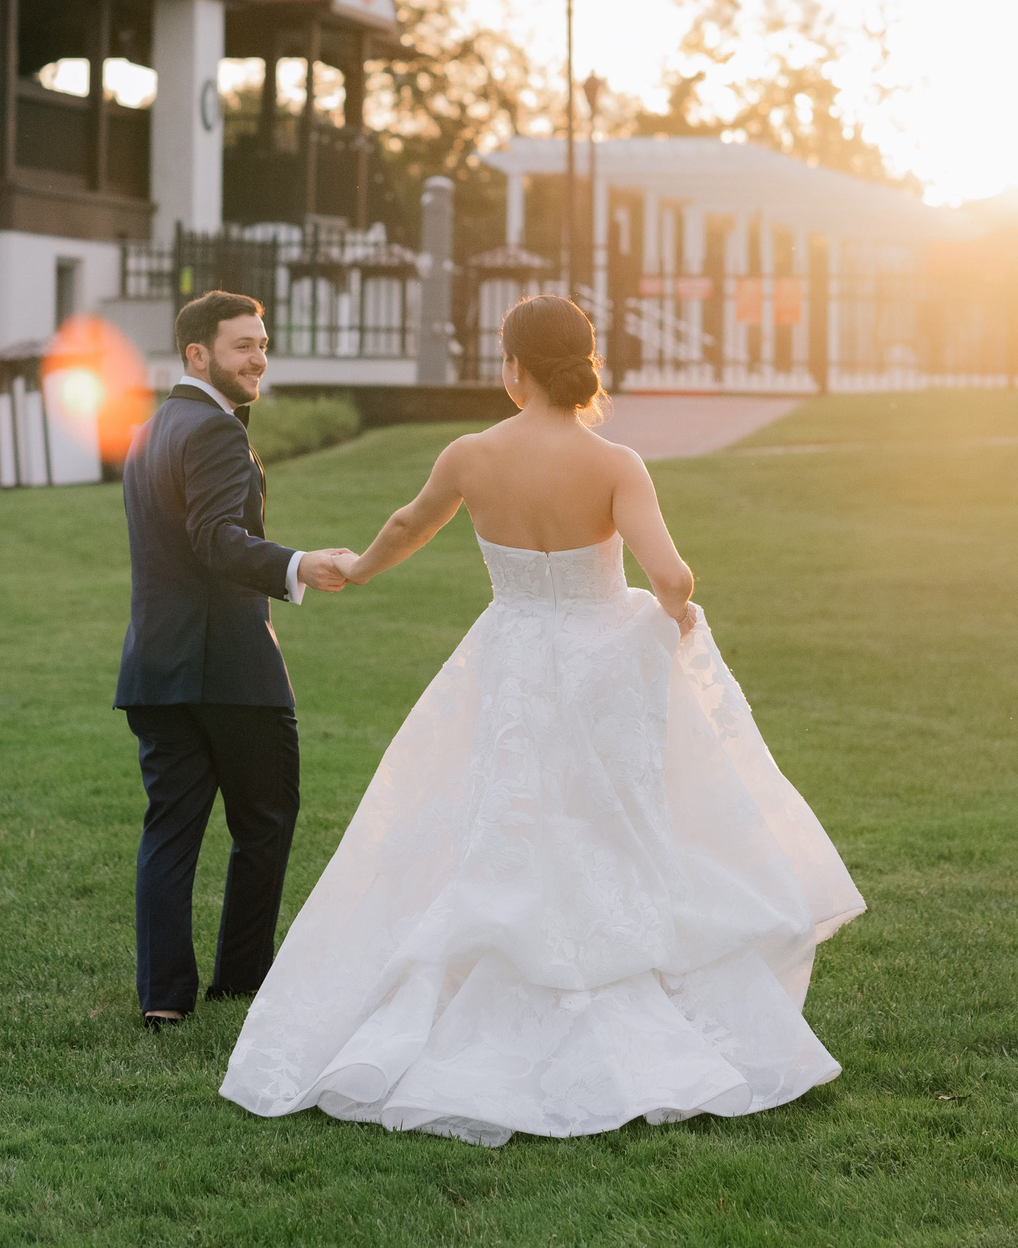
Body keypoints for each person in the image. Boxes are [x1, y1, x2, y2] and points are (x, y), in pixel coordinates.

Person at [219, 294, 863, 1146]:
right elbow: (671, 575)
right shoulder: (615, 463)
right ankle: (632, 985)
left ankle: (484, 1000)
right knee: (615, 824)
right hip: (603, 667)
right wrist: (667, 615)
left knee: (501, 820)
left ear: (515, 366)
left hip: (511, 661)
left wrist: (360, 569)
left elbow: (411, 523)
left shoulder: (471, 455)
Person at [115, 291, 360, 1026]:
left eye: (262, 343)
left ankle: (163, 1001)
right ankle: (242, 983)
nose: (259, 358)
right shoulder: (216, 433)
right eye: (242, 346)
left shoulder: (149, 431)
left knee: (169, 831)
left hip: (156, 668)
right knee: (266, 821)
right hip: (231, 671)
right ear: (198, 355)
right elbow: (216, 539)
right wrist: (298, 564)